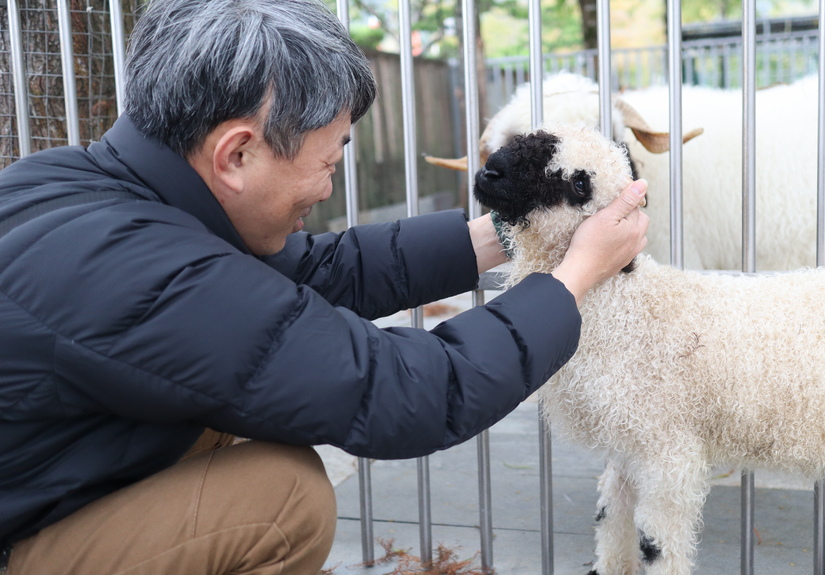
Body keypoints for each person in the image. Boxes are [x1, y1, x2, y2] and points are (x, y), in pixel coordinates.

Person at [0, 0, 649, 573]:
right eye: (329, 161)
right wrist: (572, 279)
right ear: (236, 154)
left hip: (34, 476)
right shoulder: (141, 270)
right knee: (281, 500)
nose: (328, 188)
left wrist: (514, 233)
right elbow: (403, 390)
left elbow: (312, 272)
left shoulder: (72, 184)